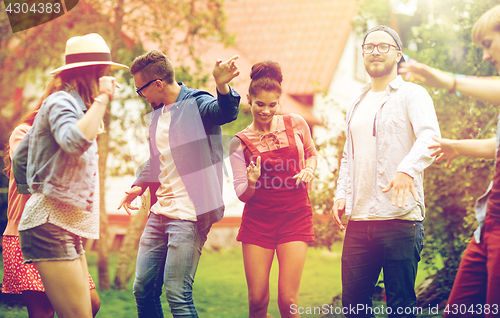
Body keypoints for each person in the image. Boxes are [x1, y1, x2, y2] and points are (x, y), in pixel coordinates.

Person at [117, 50, 240, 318]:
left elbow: (224, 111)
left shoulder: (196, 102)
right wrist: (139, 185)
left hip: (189, 214)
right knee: (143, 289)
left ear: (158, 83)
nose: (141, 96)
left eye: (141, 90)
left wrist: (221, 85)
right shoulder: (158, 114)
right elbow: (158, 159)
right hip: (160, 213)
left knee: (177, 293)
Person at [11, 33, 126, 318]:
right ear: (93, 74)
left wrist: (33, 189)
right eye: (105, 73)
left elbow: (21, 160)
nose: (109, 79)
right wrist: (102, 99)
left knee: (90, 308)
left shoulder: (76, 108)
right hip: (51, 226)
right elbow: (74, 142)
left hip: (65, 226)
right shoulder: (60, 102)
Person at [331, 25, 441, 318]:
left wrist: (406, 170)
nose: (375, 51)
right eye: (369, 46)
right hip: (359, 220)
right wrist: (342, 193)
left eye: (383, 46)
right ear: (363, 53)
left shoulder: (413, 95)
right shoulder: (356, 102)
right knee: (353, 308)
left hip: (400, 220)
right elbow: (348, 154)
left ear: (398, 54)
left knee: (400, 308)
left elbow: (430, 138)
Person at [399, 5, 500, 317]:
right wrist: (457, 146)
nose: (485, 56)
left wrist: (448, 80)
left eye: (487, 44)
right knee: (458, 310)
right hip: (490, 224)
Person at [229, 61, 317, 318]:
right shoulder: (239, 143)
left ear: (279, 102)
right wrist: (252, 180)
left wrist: (309, 169)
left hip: (295, 216)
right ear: (249, 100)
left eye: (272, 105)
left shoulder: (297, 123)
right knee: (257, 301)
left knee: (288, 301)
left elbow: (312, 154)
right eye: (260, 104)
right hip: (259, 222)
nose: (266, 111)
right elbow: (241, 194)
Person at [2, 103, 100, 317]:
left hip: (61, 232)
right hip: (25, 234)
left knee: (91, 304)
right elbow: (33, 170)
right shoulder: (23, 132)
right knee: (43, 312)